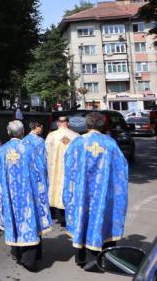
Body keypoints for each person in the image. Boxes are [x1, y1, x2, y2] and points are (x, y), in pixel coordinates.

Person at [63, 112, 128, 272]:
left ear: (87, 125)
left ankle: (83, 259)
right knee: (103, 220)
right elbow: (121, 169)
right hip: (103, 194)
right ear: (102, 125)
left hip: (82, 193)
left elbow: (68, 166)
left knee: (83, 220)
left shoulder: (78, 142)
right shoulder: (110, 143)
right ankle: (104, 258)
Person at [0, 120, 52, 272]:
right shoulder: (29, 149)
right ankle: (30, 259)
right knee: (30, 221)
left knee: (14, 220)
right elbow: (40, 170)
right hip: (29, 194)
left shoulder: (3, 150)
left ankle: (17, 253)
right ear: (23, 132)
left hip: (11, 196)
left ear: (8, 132)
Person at [45, 116, 78, 227]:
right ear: (68, 123)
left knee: (57, 190)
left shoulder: (51, 136)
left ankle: (59, 216)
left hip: (55, 170)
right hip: (71, 170)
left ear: (58, 124)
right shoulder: (76, 136)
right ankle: (71, 215)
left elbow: (46, 153)